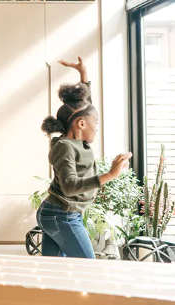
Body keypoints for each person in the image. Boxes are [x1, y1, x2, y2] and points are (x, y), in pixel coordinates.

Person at [37, 56, 132, 259]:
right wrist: (110, 174)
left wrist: (83, 73)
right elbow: (70, 186)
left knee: (52, 272)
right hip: (62, 215)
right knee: (87, 265)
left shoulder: (77, 140)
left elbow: (85, 104)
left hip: (60, 213)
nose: (97, 126)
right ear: (81, 124)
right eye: (95, 122)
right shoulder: (65, 147)